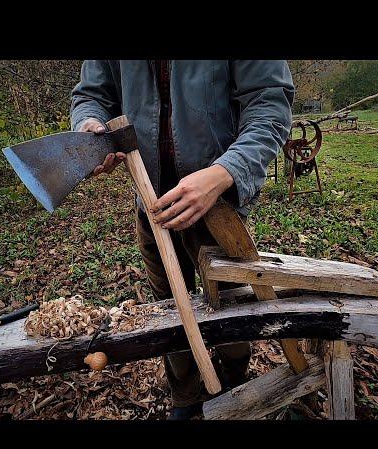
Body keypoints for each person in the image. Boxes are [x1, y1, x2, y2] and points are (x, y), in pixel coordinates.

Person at [70, 60, 294, 419]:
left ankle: (234, 380)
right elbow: (92, 95)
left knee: (231, 306)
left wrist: (225, 171)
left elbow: (269, 104)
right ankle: (186, 397)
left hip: (219, 209)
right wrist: (89, 125)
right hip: (152, 205)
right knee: (168, 311)